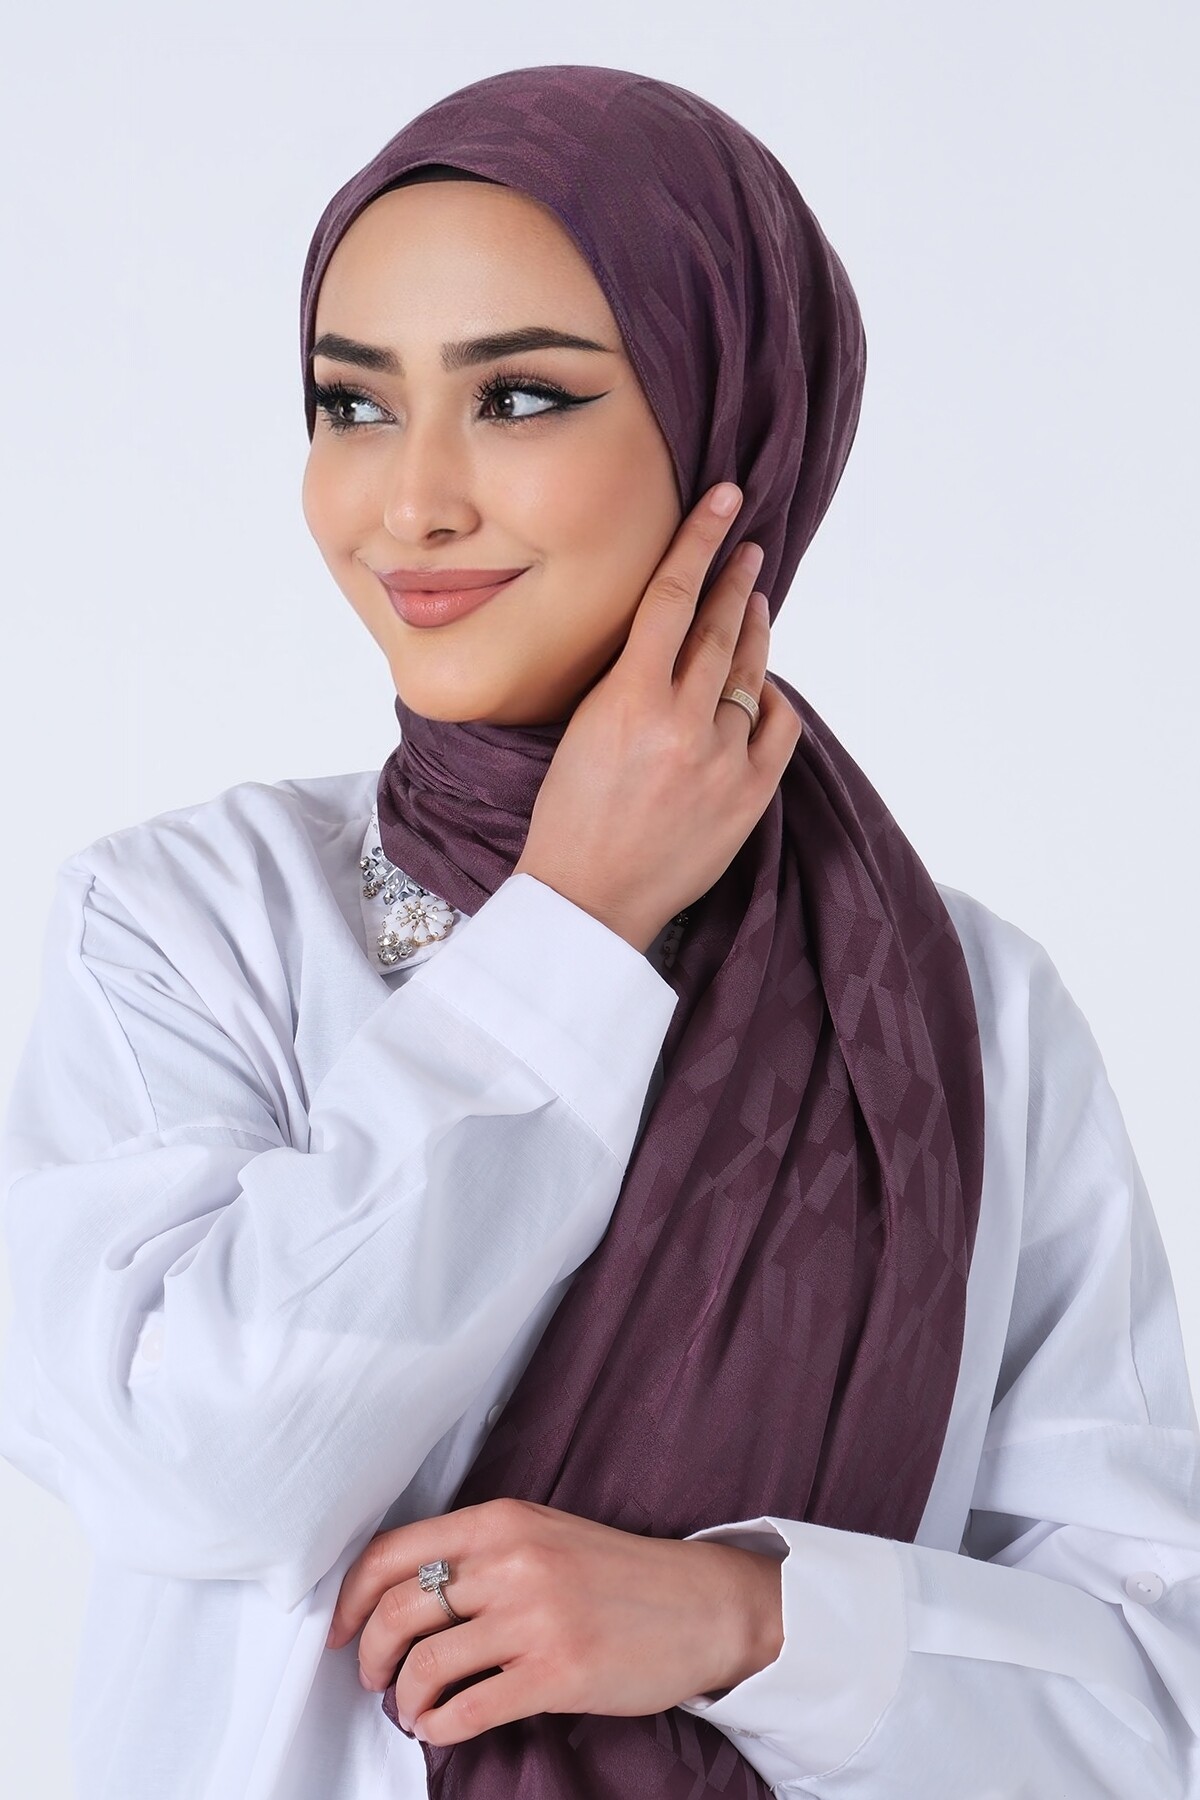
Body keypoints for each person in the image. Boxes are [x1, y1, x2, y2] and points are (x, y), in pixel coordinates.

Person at [1, 61, 1198, 1800]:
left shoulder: (957, 1014)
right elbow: (202, 1471)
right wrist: (574, 925)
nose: (410, 502)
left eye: (519, 398)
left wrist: (746, 1621)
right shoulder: (189, 927)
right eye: (352, 405)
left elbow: (1155, 1704)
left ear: (733, 432)